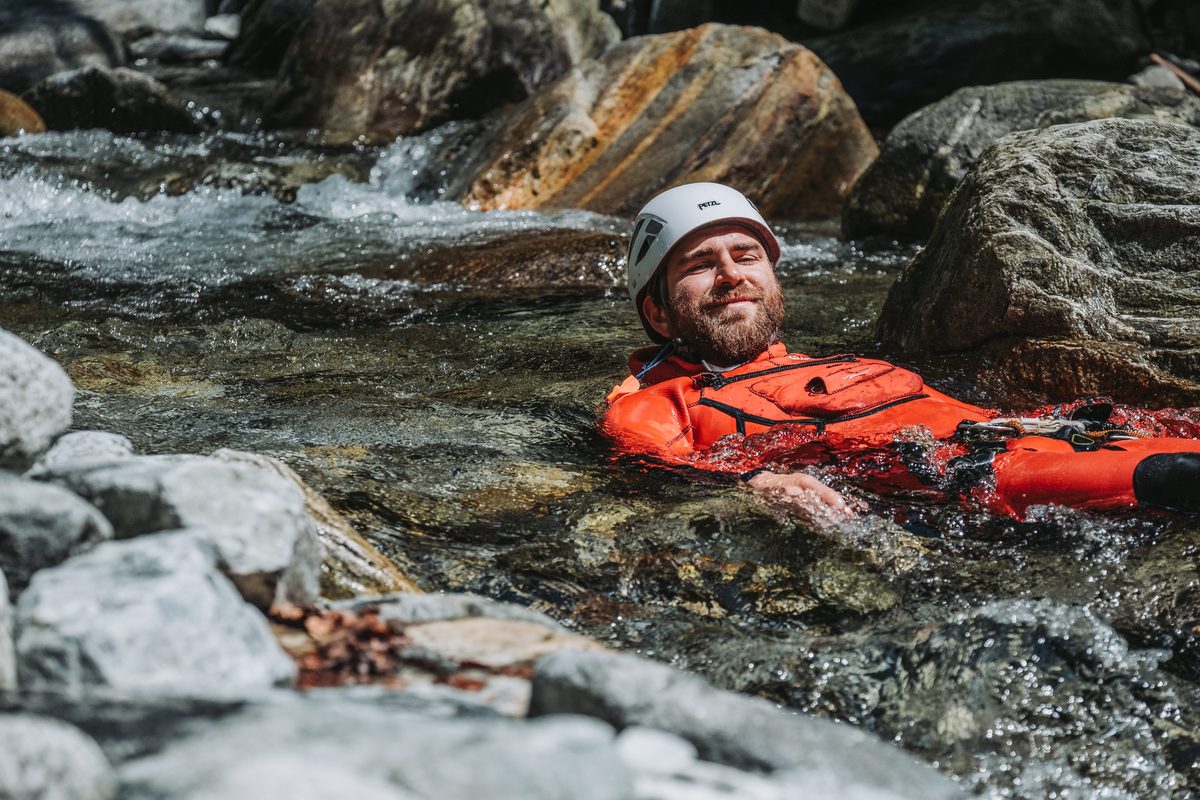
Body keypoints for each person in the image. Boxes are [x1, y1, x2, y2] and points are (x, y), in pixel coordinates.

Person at [600, 182, 1200, 518]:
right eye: (700, 265)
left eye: (746, 255)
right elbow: (656, 474)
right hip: (977, 475)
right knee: (1178, 478)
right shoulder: (658, 402)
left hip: (1056, 433)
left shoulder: (832, 361)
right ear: (658, 312)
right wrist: (750, 488)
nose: (732, 275)